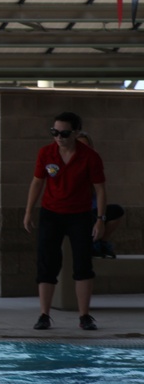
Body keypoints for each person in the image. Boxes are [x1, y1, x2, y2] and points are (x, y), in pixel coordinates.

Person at [23, 112, 106, 331]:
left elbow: (100, 189)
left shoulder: (90, 156)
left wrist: (100, 219)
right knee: (47, 263)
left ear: (76, 133)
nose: (59, 137)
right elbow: (37, 182)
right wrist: (29, 211)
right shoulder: (46, 153)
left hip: (79, 214)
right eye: (55, 132)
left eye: (64, 133)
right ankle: (44, 315)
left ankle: (84, 316)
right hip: (51, 213)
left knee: (83, 264)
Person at [77, 131, 125, 259]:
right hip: (76, 213)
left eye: (86, 146)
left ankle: (100, 242)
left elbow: (100, 192)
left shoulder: (93, 164)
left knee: (117, 211)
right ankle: (92, 243)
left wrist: (101, 217)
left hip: (93, 211)